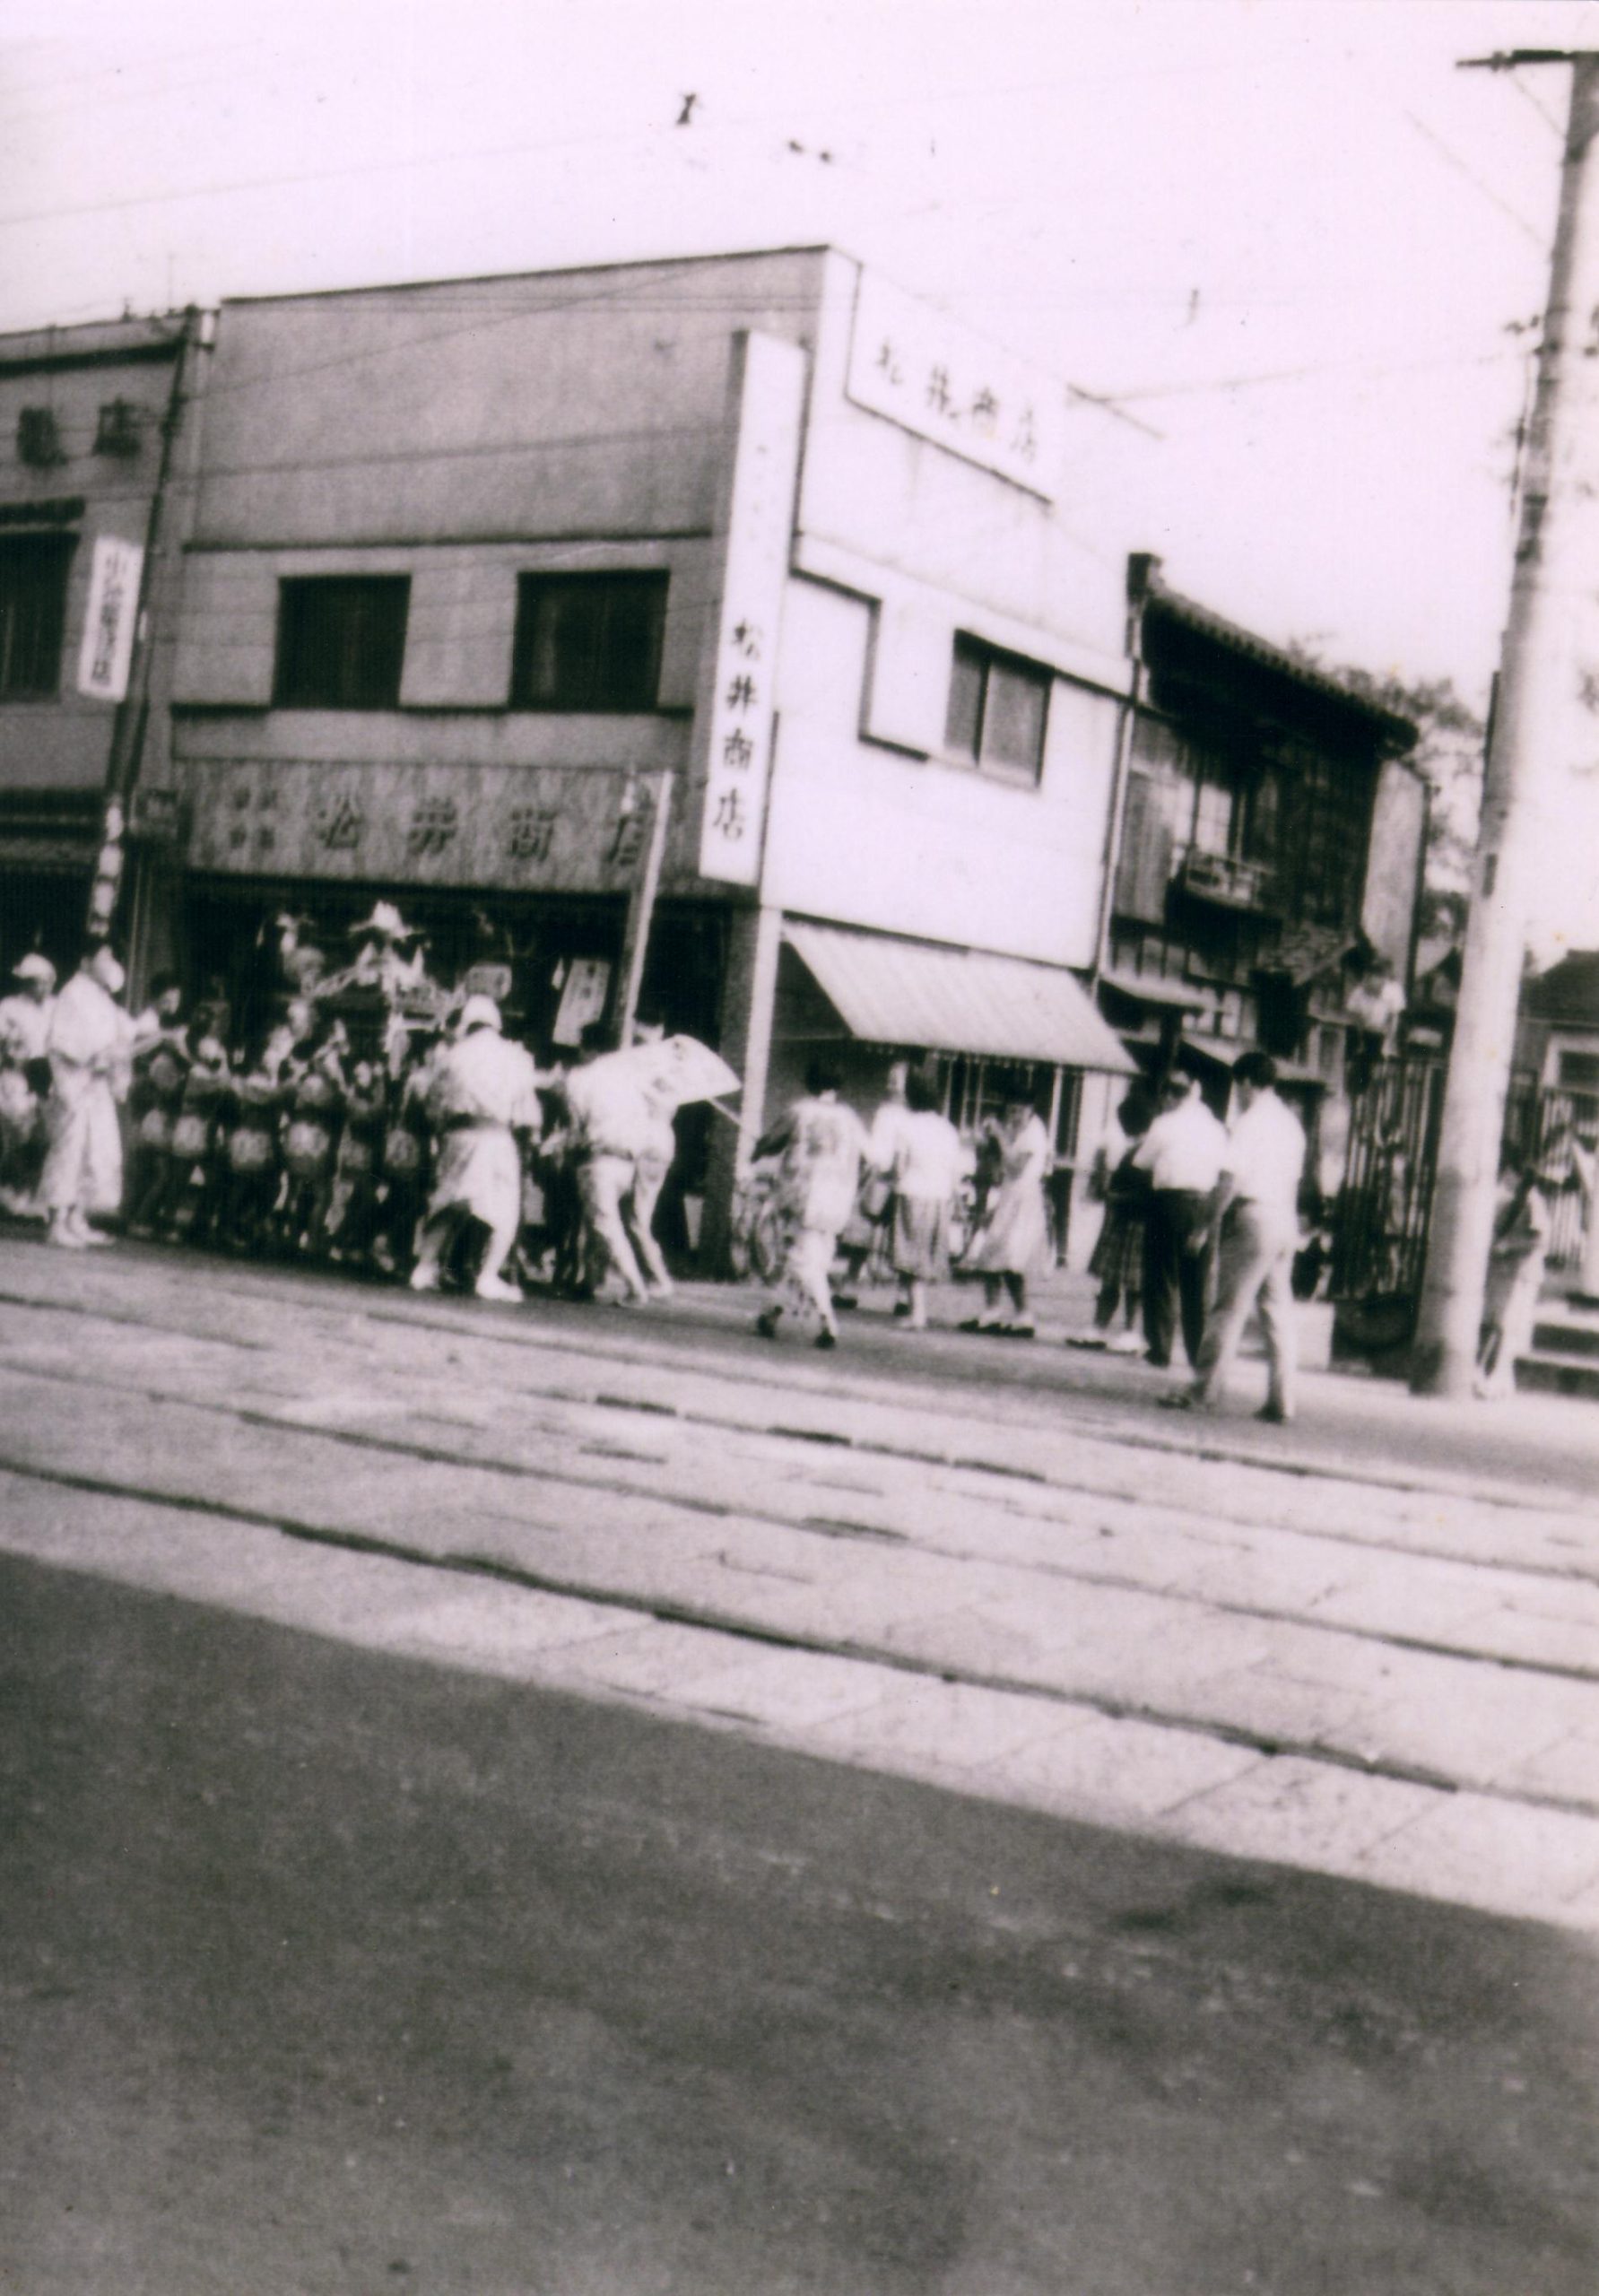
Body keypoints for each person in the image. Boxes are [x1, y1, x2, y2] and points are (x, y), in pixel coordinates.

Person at [1164, 1050, 1307, 1422]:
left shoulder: (1250, 1123)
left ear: (1245, 1082)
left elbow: (1229, 1181)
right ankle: (1283, 1400)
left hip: (1254, 1218)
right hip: (1283, 1218)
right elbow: (1294, 1182)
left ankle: (1203, 1391)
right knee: (1277, 1314)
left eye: (1237, 1085)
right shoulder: (1291, 1124)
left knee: (1228, 1307)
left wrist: (1203, 1226)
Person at [410, 994, 541, 1301]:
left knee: (449, 1202)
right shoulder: (516, 1057)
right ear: (496, 1024)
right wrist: (531, 1134)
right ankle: (488, 1276)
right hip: (495, 1136)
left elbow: (433, 1102)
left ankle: (424, 1267)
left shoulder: (451, 1056)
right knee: (504, 1208)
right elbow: (527, 1109)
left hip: (457, 1136)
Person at [752, 1058, 867, 1350]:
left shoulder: (799, 1111)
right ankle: (771, 1313)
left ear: (810, 1082)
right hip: (837, 1198)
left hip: (803, 1196)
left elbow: (771, 1143)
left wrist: (759, 1148)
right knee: (809, 1257)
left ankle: (828, 1321)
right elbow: (870, 1156)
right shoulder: (850, 1118)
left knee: (804, 1261)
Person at [39, 946, 134, 1248]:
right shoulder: (73, 993)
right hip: (75, 1084)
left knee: (96, 1153)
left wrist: (114, 1059)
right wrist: (94, 1057)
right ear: (86, 961)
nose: (110, 964)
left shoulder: (101, 997)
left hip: (97, 1085)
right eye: (104, 958)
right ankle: (56, 1222)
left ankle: (77, 1218)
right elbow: (63, 1041)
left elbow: (118, 1036)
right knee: (69, 1152)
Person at [1133, 1072, 1228, 1369]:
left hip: (1170, 1202)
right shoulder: (1216, 1127)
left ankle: (1160, 1349)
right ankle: (1197, 1353)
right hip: (1206, 1203)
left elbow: (1142, 1162)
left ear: (1171, 1096)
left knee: (1162, 1276)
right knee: (1197, 1283)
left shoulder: (1165, 1124)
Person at [559, 1023, 653, 1305]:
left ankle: (635, 1286)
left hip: (598, 1158)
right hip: (628, 1161)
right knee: (598, 1221)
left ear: (590, 1048)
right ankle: (591, 1281)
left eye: (581, 1046)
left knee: (604, 1223)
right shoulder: (631, 1077)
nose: (579, 1051)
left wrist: (562, 1146)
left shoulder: (579, 1078)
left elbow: (575, 1124)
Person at [1475, 1144, 1569, 1400]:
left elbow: (1540, 1239)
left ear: (1514, 1172)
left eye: (1506, 1172)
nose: (1503, 1177)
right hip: (1504, 1271)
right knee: (1496, 1323)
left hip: (1520, 1273)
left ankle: (1495, 1378)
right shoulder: (1512, 1199)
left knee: (1505, 1326)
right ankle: (1496, 1378)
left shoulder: (1531, 1200)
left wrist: (1509, 1245)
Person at [959, 1082, 1051, 1338]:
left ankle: (1020, 1315)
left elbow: (1014, 1167)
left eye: (1019, 1111)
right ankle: (997, 1313)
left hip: (1024, 1200)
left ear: (1030, 1109)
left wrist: (999, 1135)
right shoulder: (1017, 1128)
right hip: (1010, 1196)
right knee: (996, 1257)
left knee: (1009, 1260)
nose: (1014, 1116)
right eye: (1010, 1110)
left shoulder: (1035, 1133)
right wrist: (987, 1134)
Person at [888, 1065, 965, 1330]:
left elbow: (898, 1168)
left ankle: (917, 1313)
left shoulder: (906, 1126)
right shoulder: (948, 1129)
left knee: (909, 1253)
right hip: (940, 1197)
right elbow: (954, 1171)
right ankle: (913, 1307)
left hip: (912, 1192)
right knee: (923, 1254)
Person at [834, 1058, 914, 1308]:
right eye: (889, 1079)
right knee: (862, 1233)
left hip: (902, 1177)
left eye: (896, 1080)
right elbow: (876, 1145)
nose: (890, 1085)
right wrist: (869, 1165)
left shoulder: (913, 1115)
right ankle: (849, 1285)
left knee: (901, 1237)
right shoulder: (884, 1112)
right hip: (878, 1175)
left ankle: (903, 1295)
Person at [1080, 1087, 1154, 1352]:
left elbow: (1145, 1193)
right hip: (1125, 1220)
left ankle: (1127, 1331)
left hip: (1135, 1220)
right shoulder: (1134, 1150)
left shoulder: (1144, 1153)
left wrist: (1112, 1196)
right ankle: (1101, 1328)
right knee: (1116, 1280)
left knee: (1131, 1283)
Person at [620, 1022, 678, 1300]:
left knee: (637, 1217)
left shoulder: (653, 1072)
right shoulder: (666, 1068)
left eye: (640, 1040)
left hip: (650, 1146)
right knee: (634, 1214)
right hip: (657, 1143)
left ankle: (658, 1276)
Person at [0, 952, 57, 1215]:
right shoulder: (9, 1008)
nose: (43, 987)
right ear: (26, 982)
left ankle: (31, 1192)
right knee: (17, 1135)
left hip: (49, 1077)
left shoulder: (57, 1007)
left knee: (44, 1138)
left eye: (47, 982)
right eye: (37, 982)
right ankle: (10, 1189)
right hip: (17, 1078)